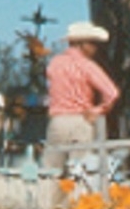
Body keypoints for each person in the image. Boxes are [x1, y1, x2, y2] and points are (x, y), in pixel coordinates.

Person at [43, 21, 120, 172]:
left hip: (57, 121)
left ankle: (48, 195)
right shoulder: (87, 65)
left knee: (51, 171)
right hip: (80, 120)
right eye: (92, 43)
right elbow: (112, 93)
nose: (95, 48)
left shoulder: (54, 63)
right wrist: (98, 111)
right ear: (81, 44)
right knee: (80, 172)